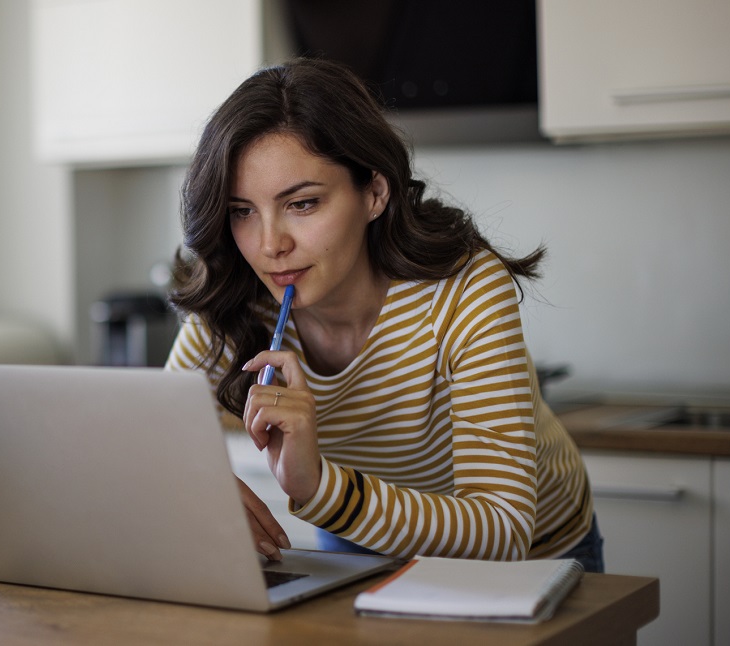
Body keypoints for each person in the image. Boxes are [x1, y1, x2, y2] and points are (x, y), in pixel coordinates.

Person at [164, 57, 603, 573]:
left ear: (374, 192)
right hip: (362, 541)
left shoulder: (463, 288)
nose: (269, 246)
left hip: (533, 558)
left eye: (302, 204)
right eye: (242, 211)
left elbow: (503, 527)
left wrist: (321, 488)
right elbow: (154, 441)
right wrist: (198, 486)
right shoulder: (239, 297)